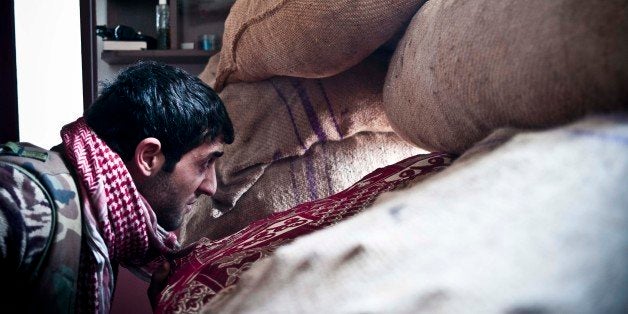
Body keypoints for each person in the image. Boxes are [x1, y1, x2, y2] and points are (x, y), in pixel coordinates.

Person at [0, 61, 234, 313]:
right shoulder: (18, 198)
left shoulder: (103, 220)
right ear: (148, 158)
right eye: (204, 163)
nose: (211, 187)